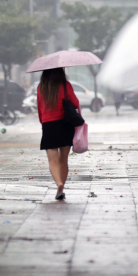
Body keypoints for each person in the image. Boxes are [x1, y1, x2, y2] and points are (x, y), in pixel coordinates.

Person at [37, 67, 80, 201]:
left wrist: (43, 122)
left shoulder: (41, 87)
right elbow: (76, 103)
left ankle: (58, 183)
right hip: (65, 124)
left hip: (49, 125)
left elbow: (39, 107)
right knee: (63, 160)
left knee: (53, 160)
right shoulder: (66, 86)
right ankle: (62, 184)